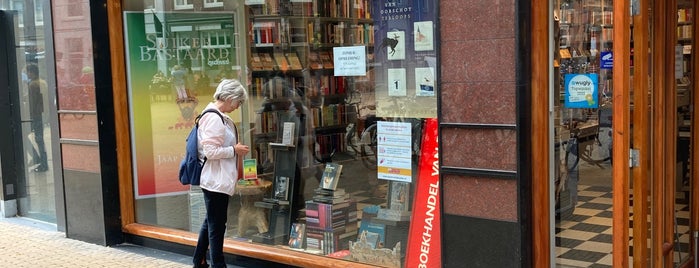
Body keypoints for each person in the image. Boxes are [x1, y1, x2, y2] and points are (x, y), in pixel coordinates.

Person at [192, 79, 250, 268]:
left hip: (216, 179)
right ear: (230, 98)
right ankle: (218, 264)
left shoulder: (217, 115)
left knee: (211, 221)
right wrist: (234, 150)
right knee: (217, 226)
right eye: (238, 102)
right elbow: (210, 152)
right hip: (215, 179)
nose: (238, 106)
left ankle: (198, 260)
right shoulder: (215, 118)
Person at [26, 64, 48, 172]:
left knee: (36, 139)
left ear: (33, 72)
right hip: (42, 115)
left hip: (35, 115)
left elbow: (32, 103)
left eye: (28, 72)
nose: (27, 74)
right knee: (40, 140)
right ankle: (42, 161)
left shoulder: (32, 85)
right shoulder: (43, 82)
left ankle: (40, 161)